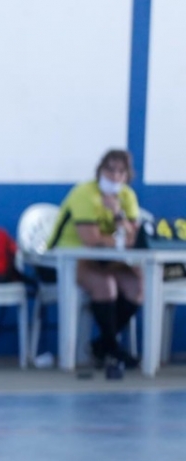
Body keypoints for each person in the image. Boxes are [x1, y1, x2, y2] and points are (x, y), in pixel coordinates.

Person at [45, 149, 142, 370]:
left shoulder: (127, 196)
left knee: (137, 284)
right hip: (67, 257)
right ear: (100, 170)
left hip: (105, 259)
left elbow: (134, 237)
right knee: (105, 285)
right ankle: (112, 348)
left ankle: (103, 345)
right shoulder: (84, 193)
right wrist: (120, 240)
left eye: (121, 172)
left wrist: (118, 214)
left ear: (127, 175)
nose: (115, 176)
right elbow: (90, 239)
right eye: (110, 170)